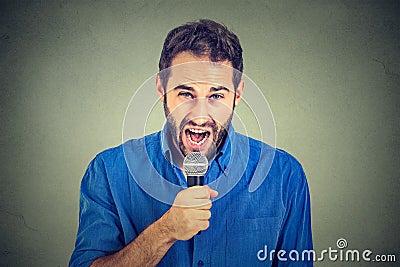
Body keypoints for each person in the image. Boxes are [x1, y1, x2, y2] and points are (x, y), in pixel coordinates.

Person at [69, 19, 313, 267]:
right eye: (186, 94)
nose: (199, 115)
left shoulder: (284, 175)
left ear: (237, 95)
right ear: (161, 88)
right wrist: (165, 231)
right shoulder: (108, 172)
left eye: (216, 95)